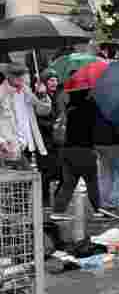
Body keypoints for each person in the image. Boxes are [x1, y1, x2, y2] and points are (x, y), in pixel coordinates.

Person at [50, 90, 116, 222]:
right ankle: (98, 209)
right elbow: (95, 130)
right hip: (85, 151)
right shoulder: (90, 108)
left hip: (68, 150)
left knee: (68, 183)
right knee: (92, 182)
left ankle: (57, 211)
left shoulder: (70, 108)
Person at [0, 64, 51, 168]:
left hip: (30, 144)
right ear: (8, 76)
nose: (20, 78)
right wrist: (2, 142)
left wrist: (43, 95)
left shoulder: (26, 90)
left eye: (22, 75)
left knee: (29, 179)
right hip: (10, 147)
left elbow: (43, 111)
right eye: (16, 75)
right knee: (18, 180)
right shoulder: (1, 93)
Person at [35, 72, 61, 208]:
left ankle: (56, 200)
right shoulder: (40, 97)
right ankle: (44, 201)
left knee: (61, 173)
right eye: (51, 80)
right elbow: (38, 119)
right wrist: (52, 125)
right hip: (44, 141)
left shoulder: (56, 97)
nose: (54, 83)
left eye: (56, 80)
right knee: (45, 173)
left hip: (56, 141)